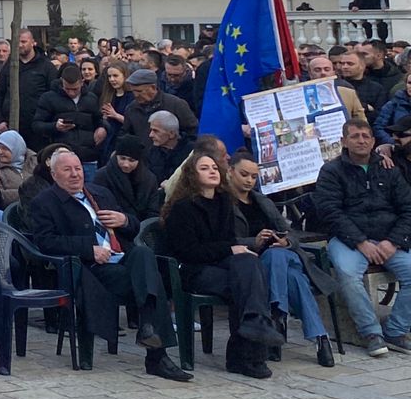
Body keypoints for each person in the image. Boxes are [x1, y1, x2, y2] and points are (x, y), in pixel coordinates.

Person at [25, 148, 189, 381]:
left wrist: (124, 220)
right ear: (54, 175)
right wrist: (87, 249)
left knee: (143, 254)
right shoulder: (45, 202)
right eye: (67, 170)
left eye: (78, 168)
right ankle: (156, 355)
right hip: (91, 269)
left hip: (123, 257)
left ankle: (149, 332)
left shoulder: (100, 193)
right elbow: (44, 241)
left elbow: (133, 228)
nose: (75, 174)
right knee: (151, 284)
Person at [161, 147, 284, 378]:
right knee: (249, 280)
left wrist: (233, 250)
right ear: (192, 175)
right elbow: (189, 252)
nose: (212, 172)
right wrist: (229, 249)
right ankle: (248, 353)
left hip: (223, 266)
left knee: (247, 266)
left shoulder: (224, 203)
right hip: (193, 271)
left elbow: (228, 243)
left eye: (215, 168)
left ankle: (248, 344)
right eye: (204, 168)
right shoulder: (183, 208)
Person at [312, 118, 411, 356]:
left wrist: (393, 241)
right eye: (355, 136)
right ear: (343, 141)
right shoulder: (331, 171)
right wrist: (360, 242)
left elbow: (408, 208)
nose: (361, 140)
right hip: (349, 240)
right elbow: (329, 212)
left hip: (388, 239)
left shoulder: (388, 169)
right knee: (348, 275)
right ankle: (372, 333)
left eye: (366, 136)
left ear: (373, 141)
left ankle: (396, 331)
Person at [226, 151, 334, 367]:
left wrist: (286, 241)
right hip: (254, 262)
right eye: (244, 174)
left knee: (278, 255)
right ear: (230, 172)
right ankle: (321, 339)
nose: (249, 180)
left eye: (254, 177)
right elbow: (223, 239)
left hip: (282, 256)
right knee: (295, 280)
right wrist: (252, 242)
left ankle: (277, 317)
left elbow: (290, 232)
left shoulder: (261, 200)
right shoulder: (223, 204)